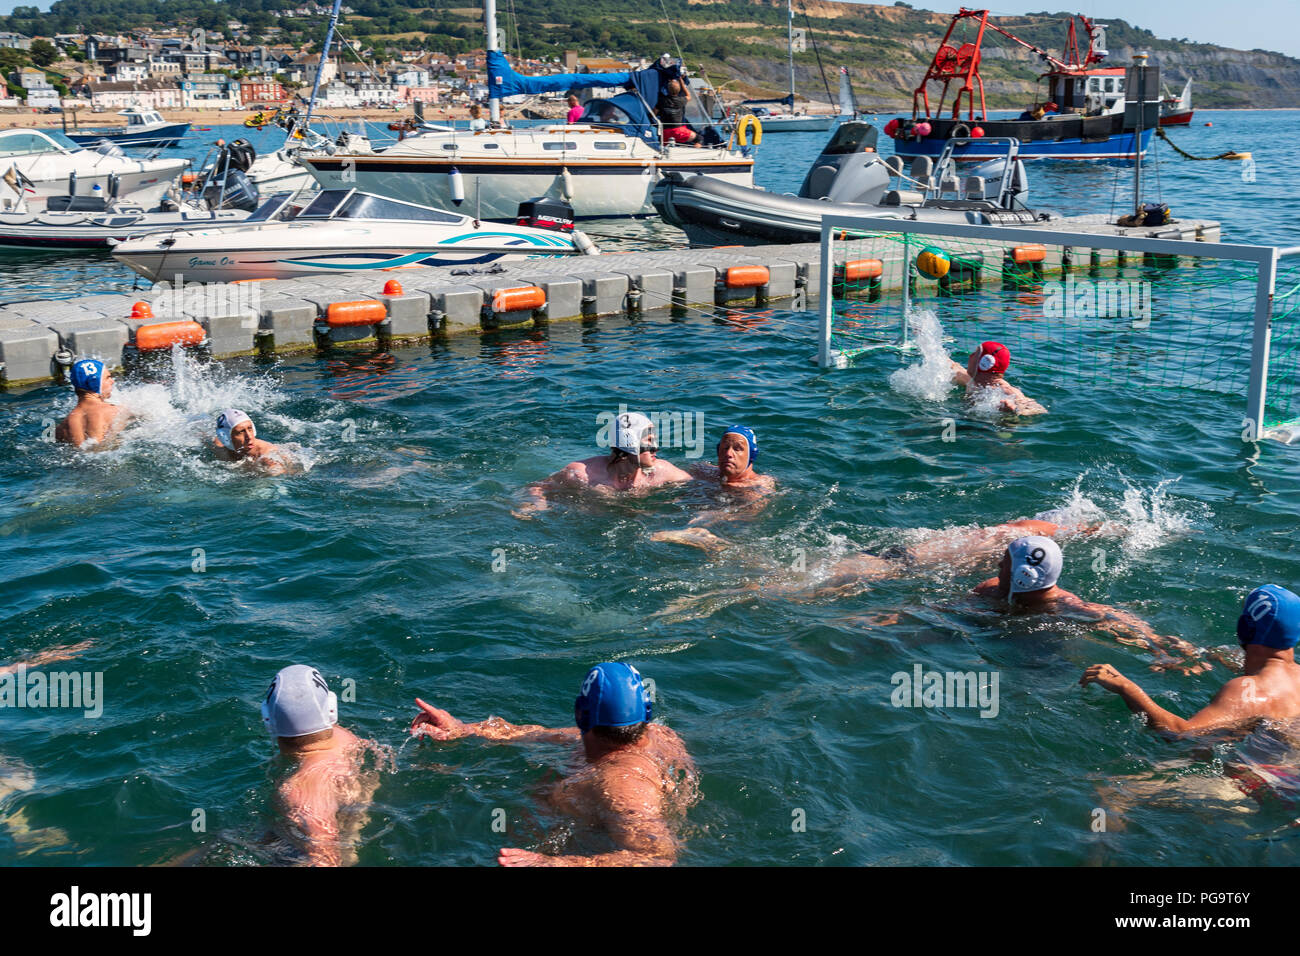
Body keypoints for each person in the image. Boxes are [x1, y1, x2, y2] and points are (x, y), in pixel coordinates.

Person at [410, 662, 697, 866]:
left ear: (580, 715)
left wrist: (551, 864)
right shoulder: (657, 734)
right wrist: (463, 728)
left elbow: (657, 857)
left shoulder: (621, 782)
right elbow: (533, 733)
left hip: (593, 849)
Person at [1081, 585, 1300, 731]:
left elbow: (1183, 733)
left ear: (1245, 627)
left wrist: (1126, 687)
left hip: (1277, 779)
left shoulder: (1246, 691)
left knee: (1116, 794)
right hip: (1287, 767)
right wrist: (1201, 653)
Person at [975, 536, 1208, 672]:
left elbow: (1119, 622)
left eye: (1004, 563)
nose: (997, 565)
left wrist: (1160, 649)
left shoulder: (1067, 608)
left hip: (1048, 655)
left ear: (1023, 576)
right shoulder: (989, 590)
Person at [261, 665, 382, 867]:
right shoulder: (346, 738)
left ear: (267, 719)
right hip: (351, 824)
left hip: (312, 851)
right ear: (331, 710)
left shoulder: (300, 791)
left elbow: (327, 858)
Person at [513, 411, 692, 517]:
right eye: (650, 440)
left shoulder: (661, 471)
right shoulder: (582, 474)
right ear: (629, 443)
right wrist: (534, 506)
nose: (656, 448)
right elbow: (536, 487)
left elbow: (697, 486)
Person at [652, 425, 776, 553]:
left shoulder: (759, 485)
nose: (729, 454)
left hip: (728, 530)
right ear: (718, 451)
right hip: (686, 520)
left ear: (751, 455)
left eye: (737, 449)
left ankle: (702, 537)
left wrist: (712, 516)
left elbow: (748, 514)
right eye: (725, 447)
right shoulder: (702, 470)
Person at [949, 341, 1046, 416]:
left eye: (975, 353)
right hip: (968, 422)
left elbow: (1040, 410)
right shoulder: (971, 380)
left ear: (985, 363)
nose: (971, 356)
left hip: (991, 430)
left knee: (1007, 425)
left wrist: (1014, 410)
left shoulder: (1007, 391)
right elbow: (953, 366)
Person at [55, 358, 131, 448]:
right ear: (94, 383)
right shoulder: (115, 411)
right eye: (107, 377)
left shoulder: (61, 427)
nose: (112, 381)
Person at [212, 408, 290, 474]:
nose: (249, 437)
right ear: (226, 436)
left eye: (250, 428)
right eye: (241, 432)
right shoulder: (219, 446)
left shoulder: (266, 457)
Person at [657, 78, 699, 146]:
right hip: (678, 131)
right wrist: (682, 83)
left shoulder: (662, 100)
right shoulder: (681, 100)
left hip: (665, 132)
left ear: (667, 89)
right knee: (699, 138)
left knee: (661, 146)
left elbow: (654, 112)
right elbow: (689, 96)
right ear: (679, 91)